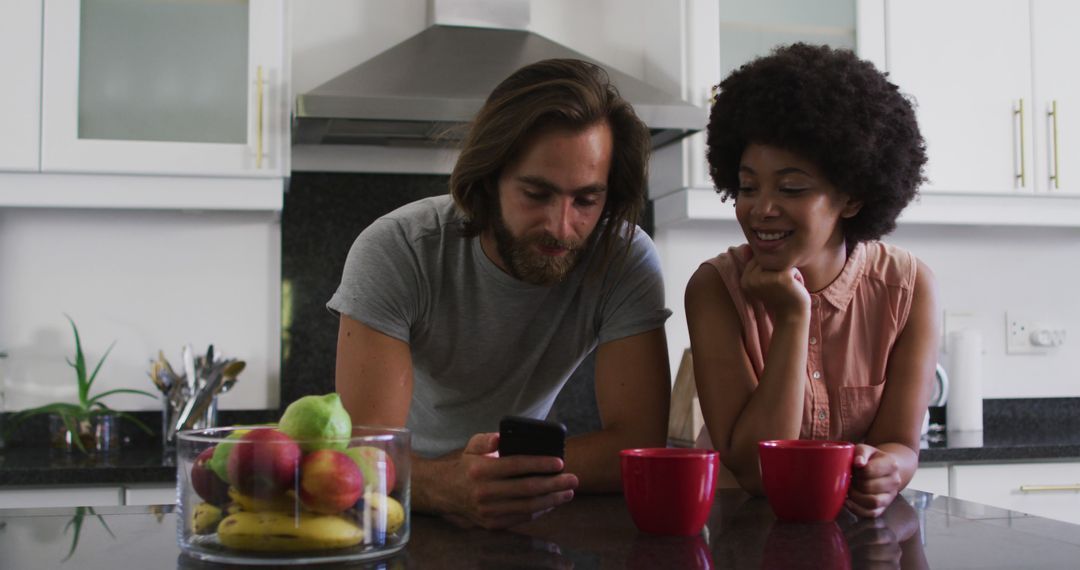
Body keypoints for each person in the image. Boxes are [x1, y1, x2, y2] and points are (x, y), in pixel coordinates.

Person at [328, 58, 672, 529]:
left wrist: (497, 476)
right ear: (489, 180)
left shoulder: (623, 259)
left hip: (532, 503)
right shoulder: (396, 250)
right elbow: (368, 454)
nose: (561, 225)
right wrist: (440, 483)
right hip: (397, 507)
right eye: (537, 193)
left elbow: (637, 447)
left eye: (587, 200)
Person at [685, 43, 939, 518]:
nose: (761, 208)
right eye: (746, 186)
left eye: (791, 188)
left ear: (853, 197)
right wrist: (792, 317)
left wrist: (889, 469)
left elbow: (901, 445)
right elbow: (756, 473)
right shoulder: (715, 290)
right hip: (743, 535)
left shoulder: (909, 290)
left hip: (857, 536)